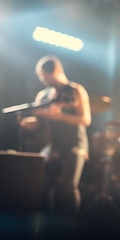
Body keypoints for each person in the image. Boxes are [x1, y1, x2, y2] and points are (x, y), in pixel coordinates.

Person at [19, 55, 91, 218]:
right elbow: (38, 121)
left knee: (67, 188)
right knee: (38, 186)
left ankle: (69, 227)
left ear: (55, 71)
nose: (43, 80)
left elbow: (85, 119)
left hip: (74, 146)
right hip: (52, 147)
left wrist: (60, 117)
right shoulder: (43, 96)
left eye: (44, 75)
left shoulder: (75, 90)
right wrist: (27, 122)